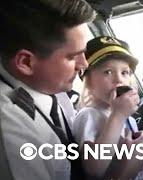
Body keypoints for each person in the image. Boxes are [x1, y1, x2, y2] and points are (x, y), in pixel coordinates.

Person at [0, 1, 95, 180]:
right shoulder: (12, 132)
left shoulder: (51, 85)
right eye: (73, 57)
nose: (84, 65)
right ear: (26, 63)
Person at [73, 36, 143, 180]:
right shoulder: (89, 115)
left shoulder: (128, 118)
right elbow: (94, 169)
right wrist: (118, 115)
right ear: (88, 80)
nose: (119, 79)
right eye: (108, 72)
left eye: (125, 72)